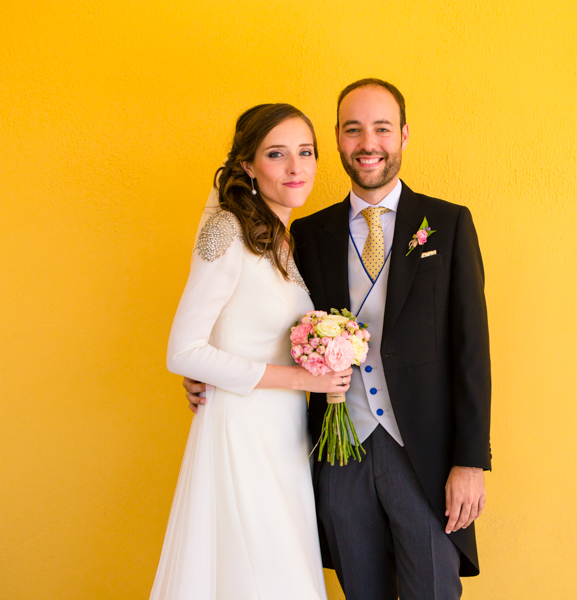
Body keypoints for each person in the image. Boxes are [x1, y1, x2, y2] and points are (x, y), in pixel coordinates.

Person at [187, 79, 492, 600]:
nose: (367, 142)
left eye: (381, 128)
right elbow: (262, 317)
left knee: (434, 592)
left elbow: (471, 352)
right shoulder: (306, 233)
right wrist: (204, 368)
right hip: (337, 453)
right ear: (338, 139)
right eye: (353, 130)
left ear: (404, 135)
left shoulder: (447, 223)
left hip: (423, 456)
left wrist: (471, 460)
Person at [152, 103, 351, 600]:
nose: (295, 168)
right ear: (247, 166)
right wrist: (305, 380)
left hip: (283, 437)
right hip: (242, 434)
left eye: (305, 153)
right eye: (277, 154)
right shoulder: (227, 229)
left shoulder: (282, 240)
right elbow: (184, 350)